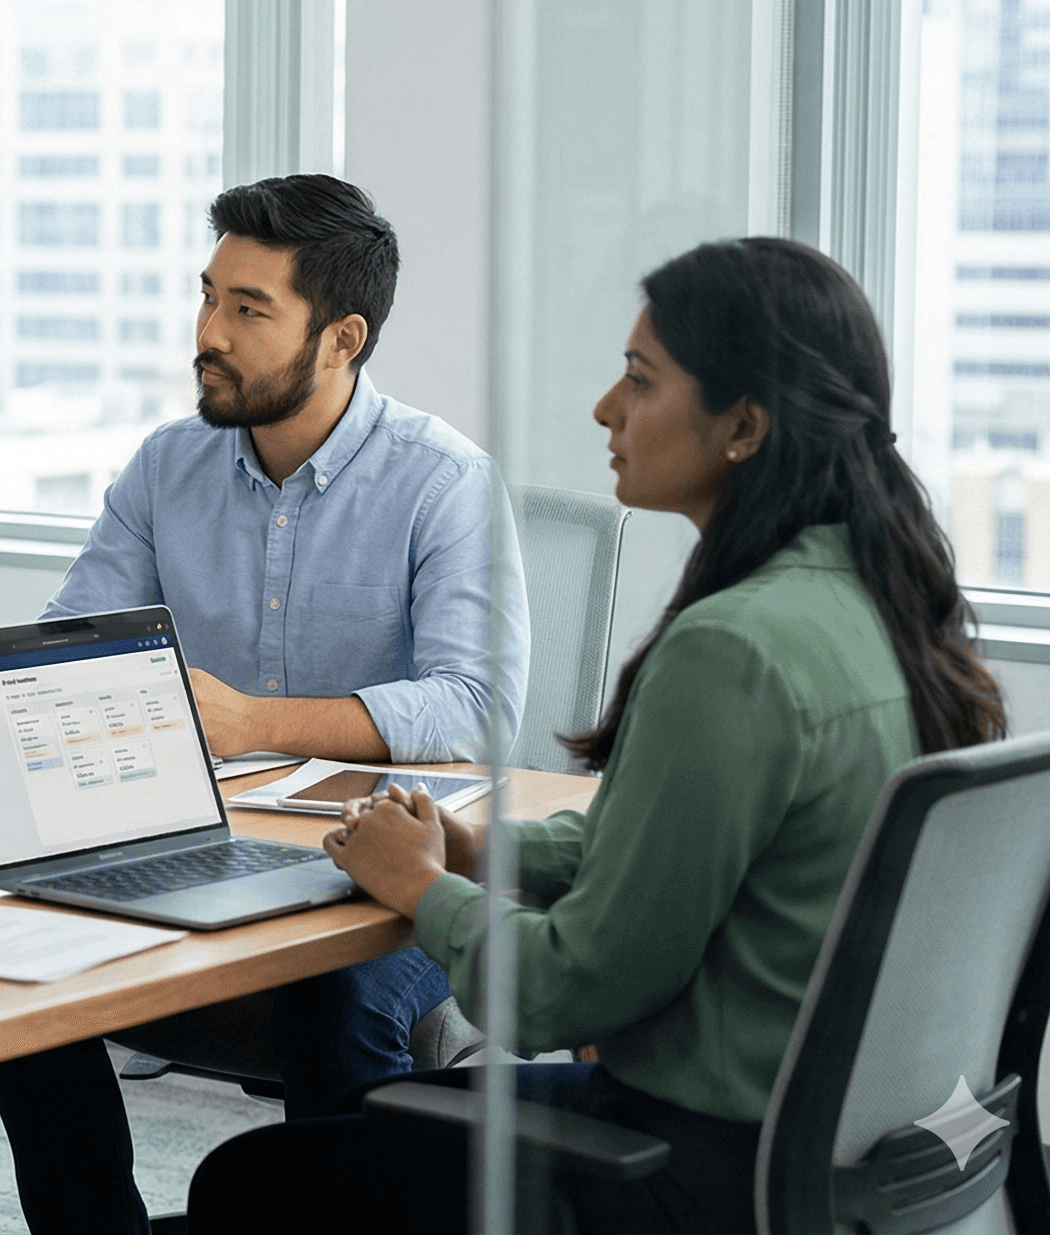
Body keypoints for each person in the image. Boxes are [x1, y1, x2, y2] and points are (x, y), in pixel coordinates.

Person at [185, 236, 1008, 1233]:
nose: (605, 409)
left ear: (743, 426)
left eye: (639, 379)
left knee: (244, 1185)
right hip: (833, 1145)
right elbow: (666, 846)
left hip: (697, 1165)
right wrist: (479, 849)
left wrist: (422, 888)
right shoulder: (879, 602)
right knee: (383, 1125)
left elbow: (560, 996)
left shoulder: (733, 650)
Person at [0, 174, 531, 1235]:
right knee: (13, 968)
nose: (209, 334)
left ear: (341, 339)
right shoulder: (166, 466)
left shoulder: (441, 480)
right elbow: (76, 643)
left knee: (333, 1006)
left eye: (249, 309)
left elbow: (476, 706)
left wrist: (255, 721)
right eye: (206, 296)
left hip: (385, 865)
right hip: (197, 841)